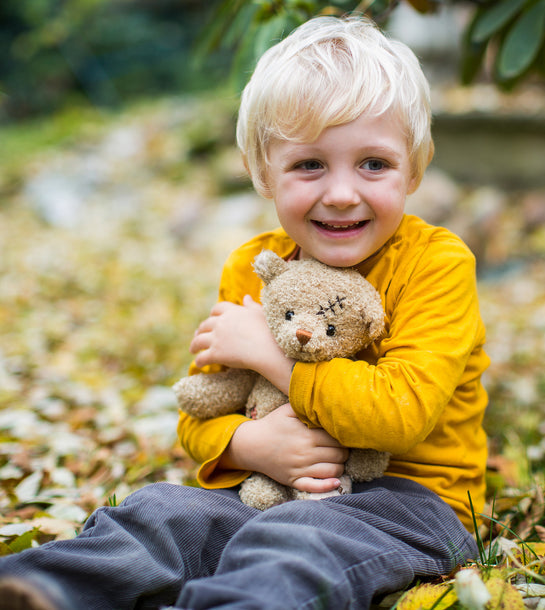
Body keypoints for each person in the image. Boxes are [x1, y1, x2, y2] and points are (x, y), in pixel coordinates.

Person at [0, 14, 489, 610]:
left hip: (410, 499)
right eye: (309, 165)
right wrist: (247, 447)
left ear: (414, 166)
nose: (340, 192)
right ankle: (44, 589)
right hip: (268, 489)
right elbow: (199, 410)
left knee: (296, 546)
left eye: (374, 164)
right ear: (264, 173)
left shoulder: (435, 263)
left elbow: (401, 414)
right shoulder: (253, 267)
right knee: (159, 512)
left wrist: (271, 356)